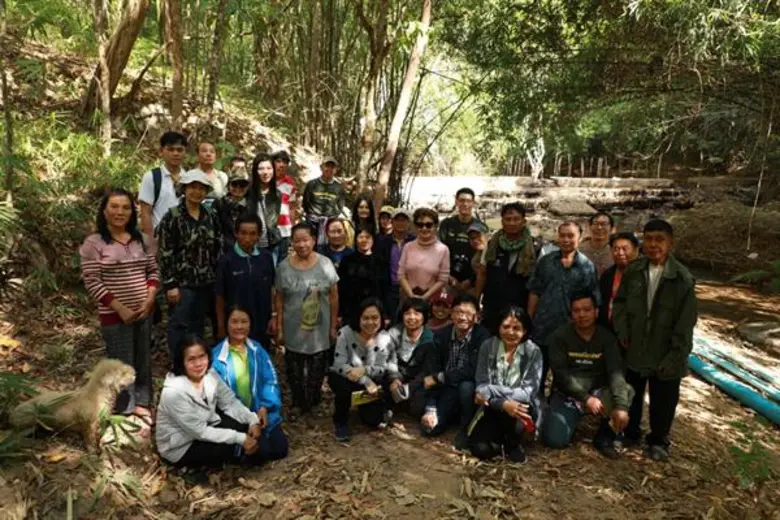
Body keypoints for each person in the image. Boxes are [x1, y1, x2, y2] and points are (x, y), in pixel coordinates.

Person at [613, 219, 697, 462]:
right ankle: (630, 432)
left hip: (665, 349)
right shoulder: (634, 270)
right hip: (636, 344)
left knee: (664, 398)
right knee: (632, 392)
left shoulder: (681, 279)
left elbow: (685, 323)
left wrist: (675, 355)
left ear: (670, 243)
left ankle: (659, 440)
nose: (653, 245)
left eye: (659, 239)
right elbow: (619, 304)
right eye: (648, 239)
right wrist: (622, 331)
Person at [80, 188, 159, 424]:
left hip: (144, 311)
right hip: (115, 316)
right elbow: (92, 281)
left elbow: (153, 271)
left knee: (143, 358)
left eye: (125, 207)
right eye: (114, 206)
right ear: (104, 211)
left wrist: (149, 298)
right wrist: (120, 308)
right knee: (121, 363)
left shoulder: (142, 240)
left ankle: (143, 403)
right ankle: (125, 409)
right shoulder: (94, 243)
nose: (120, 212)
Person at [156, 336, 287, 467]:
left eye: (202, 357)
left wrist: (252, 420)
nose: (198, 364)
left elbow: (230, 402)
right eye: (191, 359)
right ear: (181, 362)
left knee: (267, 445)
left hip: (209, 424)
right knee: (244, 449)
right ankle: (241, 456)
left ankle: (247, 453)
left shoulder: (209, 374)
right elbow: (201, 432)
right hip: (182, 445)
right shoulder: (173, 393)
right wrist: (241, 438)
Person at [542, 294, 632, 458]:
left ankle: (605, 435)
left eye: (587, 310)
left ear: (596, 312)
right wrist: (585, 398)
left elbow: (615, 373)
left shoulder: (607, 338)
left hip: (598, 392)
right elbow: (561, 375)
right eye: (576, 311)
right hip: (568, 395)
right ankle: (571, 419)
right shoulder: (559, 337)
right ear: (571, 314)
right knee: (554, 440)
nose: (581, 315)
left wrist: (621, 407)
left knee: (627, 391)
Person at [275, 222, 339, 417]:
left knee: (317, 369)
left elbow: (334, 296)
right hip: (293, 326)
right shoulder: (283, 267)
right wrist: (279, 326)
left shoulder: (325, 264)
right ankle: (297, 402)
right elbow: (279, 298)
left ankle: (313, 402)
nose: (302, 245)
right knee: (294, 368)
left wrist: (333, 325)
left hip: (320, 328)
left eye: (306, 240)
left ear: (313, 240)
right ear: (292, 243)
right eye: (297, 241)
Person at [156, 171, 222, 357]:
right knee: (179, 325)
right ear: (184, 189)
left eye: (201, 188)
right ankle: (178, 364)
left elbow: (217, 246)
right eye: (193, 187)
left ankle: (196, 362)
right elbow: (165, 252)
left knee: (198, 324)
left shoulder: (210, 215)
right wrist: (170, 284)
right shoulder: (173, 216)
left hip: (205, 281)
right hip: (182, 283)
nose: (197, 192)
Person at [527, 221, 600, 382]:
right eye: (562, 235)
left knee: (565, 379)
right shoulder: (546, 261)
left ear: (580, 238)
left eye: (571, 236)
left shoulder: (587, 267)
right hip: (542, 327)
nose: (566, 240)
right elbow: (535, 291)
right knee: (536, 376)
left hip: (571, 330)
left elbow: (593, 301)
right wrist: (529, 319)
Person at [210, 307, 288, 456]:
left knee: (280, 449)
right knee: (262, 452)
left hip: (260, 411)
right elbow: (221, 400)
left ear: (250, 324)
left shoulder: (257, 350)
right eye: (234, 322)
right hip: (235, 416)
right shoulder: (216, 356)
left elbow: (270, 380)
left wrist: (265, 407)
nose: (239, 326)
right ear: (226, 324)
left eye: (244, 322)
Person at [470, 306, 543, 463]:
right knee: (480, 450)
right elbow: (481, 385)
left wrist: (492, 391)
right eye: (506, 327)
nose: (510, 332)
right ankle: (499, 442)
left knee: (518, 422)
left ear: (525, 331)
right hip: (493, 406)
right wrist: (502, 403)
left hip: (520, 407)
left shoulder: (533, 351)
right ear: (498, 327)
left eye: (517, 328)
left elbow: (527, 393)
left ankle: (512, 443)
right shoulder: (488, 346)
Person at [421, 293, 490, 450]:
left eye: (468, 313)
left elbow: (474, 370)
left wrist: (441, 377)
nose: (462, 317)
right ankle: (447, 415)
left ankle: (465, 428)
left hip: (471, 389)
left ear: (477, 316)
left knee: (466, 386)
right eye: (459, 312)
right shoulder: (440, 336)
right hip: (447, 387)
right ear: (451, 314)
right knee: (429, 429)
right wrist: (430, 408)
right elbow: (432, 371)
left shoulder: (483, 338)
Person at [328, 298, 394, 441]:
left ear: (382, 319)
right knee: (341, 385)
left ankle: (377, 408)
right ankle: (340, 421)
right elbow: (339, 364)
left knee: (373, 420)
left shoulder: (384, 337)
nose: (370, 322)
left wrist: (364, 371)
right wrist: (364, 379)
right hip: (346, 376)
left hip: (371, 378)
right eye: (365, 318)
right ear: (358, 318)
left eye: (375, 318)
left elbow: (381, 368)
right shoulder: (345, 333)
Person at [215, 213, 275, 347]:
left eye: (253, 234)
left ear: (259, 235)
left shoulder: (266, 258)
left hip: (262, 322)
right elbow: (219, 296)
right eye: (243, 233)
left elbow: (272, 288)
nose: (247, 238)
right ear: (236, 233)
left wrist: (274, 316)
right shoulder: (227, 261)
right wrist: (220, 326)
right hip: (237, 325)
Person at [474, 203, 536, 333]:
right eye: (508, 219)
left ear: (524, 221)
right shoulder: (492, 245)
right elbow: (482, 273)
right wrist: (475, 303)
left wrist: (530, 315)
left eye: (516, 219)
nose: (512, 223)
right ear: (502, 221)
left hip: (519, 307)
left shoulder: (536, 248)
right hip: (492, 306)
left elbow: (536, 286)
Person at [385, 298, 435, 418]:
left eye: (416, 313)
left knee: (417, 409)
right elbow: (388, 359)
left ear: (424, 317)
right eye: (407, 313)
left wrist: (409, 387)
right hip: (397, 375)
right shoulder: (393, 333)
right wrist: (394, 379)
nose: (411, 317)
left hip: (417, 379)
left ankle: (402, 404)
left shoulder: (430, 339)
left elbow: (427, 369)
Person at [138, 131, 188, 236]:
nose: (175, 153)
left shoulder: (189, 178)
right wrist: (150, 241)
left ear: (185, 152)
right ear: (161, 151)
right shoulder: (152, 177)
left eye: (180, 150)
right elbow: (145, 212)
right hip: (160, 239)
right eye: (170, 149)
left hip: (185, 240)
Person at [337, 226, 388, 326]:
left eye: (368, 237)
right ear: (355, 240)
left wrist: (386, 314)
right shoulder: (347, 260)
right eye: (361, 237)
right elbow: (341, 288)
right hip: (351, 309)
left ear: (373, 240)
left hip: (375, 310)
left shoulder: (380, 260)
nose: (364, 240)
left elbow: (385, 288)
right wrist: (340, 313)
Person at [397, 208, 450, 302]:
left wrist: (424, 297)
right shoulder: (408, 247)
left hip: (432, 300)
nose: (424, 228)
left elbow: (443, 279)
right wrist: (411, 296)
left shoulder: (443, 250)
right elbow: (401, 275)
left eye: (428, 225)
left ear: (436, 226)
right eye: (420, 225)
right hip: (408, 298)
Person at [438, 188, 485, 292]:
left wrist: (470, 281)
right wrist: (449, 278)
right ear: (456, 202)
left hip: (471, 281)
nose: (465, 204)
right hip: (447, 279)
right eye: (462, 200)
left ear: (473, 203)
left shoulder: (480, 226)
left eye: (468, 201)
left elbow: (483, 256)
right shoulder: (446, 224)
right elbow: (438, 252)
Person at [374, 208, 415, 321]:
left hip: (410, 288)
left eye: (404, 220)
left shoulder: (415, 241)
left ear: (408, 222)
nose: (400, 223)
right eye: (398, 220)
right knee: (391, 320)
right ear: (392, 222)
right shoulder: (382, 242)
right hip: (389, 288)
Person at [599, 232, 640, 332]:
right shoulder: (607, 275)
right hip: (610, 331)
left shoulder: (643, 274)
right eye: (616, 249)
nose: (620, 253)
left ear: (636, 250)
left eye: (625, 249)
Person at [246, 153, 284, 259]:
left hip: (271, 244)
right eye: (261, 169)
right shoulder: (247, 192)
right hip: (249, 244)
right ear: (255, 171)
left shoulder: (277, 194)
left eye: (269, 168)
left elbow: (273, 222)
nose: (265, 172)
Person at [303, 156, 346, 242]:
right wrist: (312, 215)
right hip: (312, 222)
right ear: (321, 167)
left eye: (332, 167)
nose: (329, 169)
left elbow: (340, 206)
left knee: (329, 249)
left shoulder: (339, 187)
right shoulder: (311, 184)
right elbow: (305, 203)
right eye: (327, 166)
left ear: (336, 170)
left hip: (330, 223)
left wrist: (332, 216)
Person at [213, 162, 250, 252]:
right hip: (224, 249)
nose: (238, 188)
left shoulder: (251, 205)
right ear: (228, 185)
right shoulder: (219, 203)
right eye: (234, 184)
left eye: (242, 185)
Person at [187, 141, 229, 206]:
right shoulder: (189, 176)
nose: (208, 154)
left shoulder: (222, 176)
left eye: (212, 152)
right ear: (198, 155)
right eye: (204, 151)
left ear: (215, 156)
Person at [579, 212, 617, 277]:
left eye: (604, 224)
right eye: (596, 224)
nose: (599, 227)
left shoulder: (616, 250)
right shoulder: (579, 250)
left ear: (612, 229)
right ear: (589, 227)